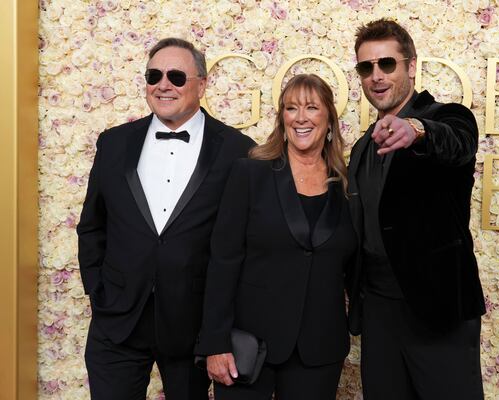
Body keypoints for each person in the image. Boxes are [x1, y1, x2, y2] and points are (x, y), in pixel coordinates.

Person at [77, 37, 255, 400]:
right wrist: (99, 292)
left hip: (192, 328)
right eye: (154, 75)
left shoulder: (238, 150)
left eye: (176, 76)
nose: (163, 84)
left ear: (202, 85)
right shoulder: (113, 143)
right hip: (118, 323)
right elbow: (92, 225)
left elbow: (242, 244)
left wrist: (219, 329)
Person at [347, 19, 486, 399]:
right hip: (377, 312)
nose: (376, 76)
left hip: (436, 309)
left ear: (411, 66)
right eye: (366, 67)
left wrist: (417, 130)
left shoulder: (446, 118)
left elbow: (458, 143)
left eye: (387, 64)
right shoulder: (361, 148)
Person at [195, 74, 357, 400]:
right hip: (247, 345)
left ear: (329, 119)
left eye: (311, 108)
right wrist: (214, 342)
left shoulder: (349, 185)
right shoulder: (249, 174)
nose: (300, 118)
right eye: (291, 108)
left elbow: (356, 265)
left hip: (319, 348)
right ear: (282, 118)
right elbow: (223, 261)